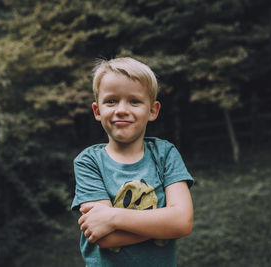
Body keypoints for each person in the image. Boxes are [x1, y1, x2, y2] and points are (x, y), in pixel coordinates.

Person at [71, 57, 194, 267]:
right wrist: (163, 225)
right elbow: (104, 238)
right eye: (111, 101)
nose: (121, 109)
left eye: (134, 101)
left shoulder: (165, 154)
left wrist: (113, 218)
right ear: (97, 111)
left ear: (152, 110)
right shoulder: (89, 162)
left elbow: (182, 222)